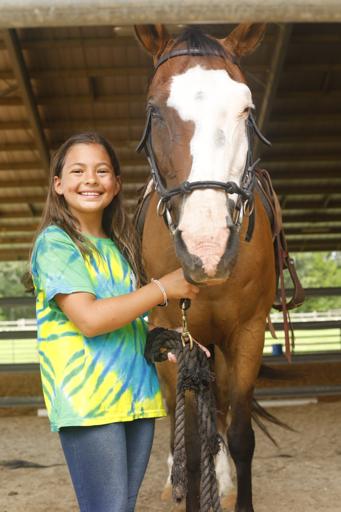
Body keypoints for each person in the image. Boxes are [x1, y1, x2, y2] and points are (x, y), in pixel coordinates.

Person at [29, 132, 199, 512]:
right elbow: (89, 319)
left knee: (121, 506)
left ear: (117, 184)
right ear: (58, 184)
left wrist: (166, 339)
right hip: (90, 403)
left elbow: (126, 318)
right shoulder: (55, 244)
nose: (90, 179)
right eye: (78, 170)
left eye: (102, 170)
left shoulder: (119, 247)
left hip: (135, 399)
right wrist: (162, 287)